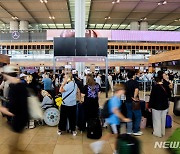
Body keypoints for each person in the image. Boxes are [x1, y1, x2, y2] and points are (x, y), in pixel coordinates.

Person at [90, 84, 131, 154]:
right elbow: (115, 111)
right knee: (116, 136)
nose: (124, 91)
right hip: (113, 121)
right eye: (123, 90)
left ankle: (97, 144)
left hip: (113, 121)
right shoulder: (115, 99)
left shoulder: (116, 98)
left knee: (111, 134)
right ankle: (115, 151)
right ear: (119, 91)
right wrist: (124, 118)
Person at [0, 65, 29, 154]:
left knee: (12, 145)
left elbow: (12, 110)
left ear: (7, 75)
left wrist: (2, 109)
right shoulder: (22, 84)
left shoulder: (13, 87)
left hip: (18, 118)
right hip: (24, 116)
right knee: (16, 140)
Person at [149, 71, 169, 138]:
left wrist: (150, 106)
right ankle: (162, 132)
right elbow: (169, 95)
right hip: (165, 106)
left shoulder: (155, 87)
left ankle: (157, 133)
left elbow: (152, 97)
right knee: (163, 119)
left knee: (156, 119)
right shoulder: (166, 86)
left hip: (156, 106)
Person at [125, 71, 143, 136]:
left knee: (129, 116)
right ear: (133, 76)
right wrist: (134, 97)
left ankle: (129, 131)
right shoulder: (135, 82)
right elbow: (136, 90)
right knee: (138, 116)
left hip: (127, 101)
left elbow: (124, 92)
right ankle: (135, 130)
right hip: (134, 102)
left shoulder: (126, 83)